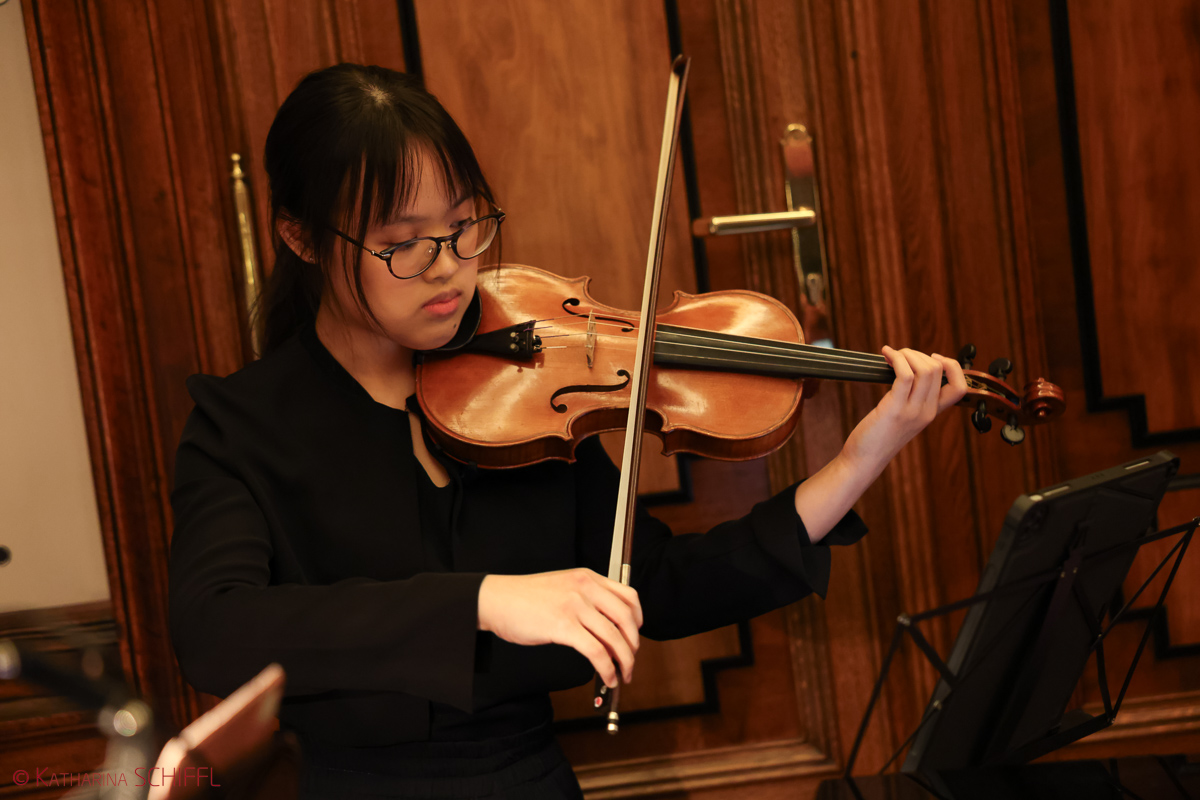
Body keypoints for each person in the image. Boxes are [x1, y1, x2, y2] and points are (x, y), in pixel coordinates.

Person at [167, 63, 968, 799]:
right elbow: (214, 630)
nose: (448, 266)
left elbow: (655, 583)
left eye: (465, 225)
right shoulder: (243, 427)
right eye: (402, 243)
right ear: (301, 237)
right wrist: (481, 601)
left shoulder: (527, 382)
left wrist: (858, 461)